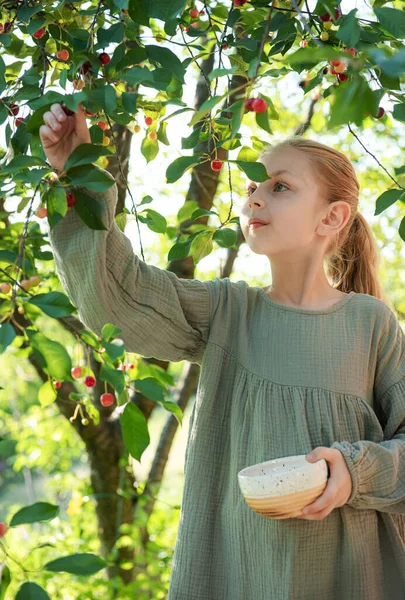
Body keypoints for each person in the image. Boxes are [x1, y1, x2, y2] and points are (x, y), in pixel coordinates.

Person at [40, 103, 405, 599]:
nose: (254, 196)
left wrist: (353, 471)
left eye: (279, 186)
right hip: (238, 574)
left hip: (351, 578)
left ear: (332, 217)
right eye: (253, 184)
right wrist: (77, 171)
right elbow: (118, 296)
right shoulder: (225, 312)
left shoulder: (371, 323)